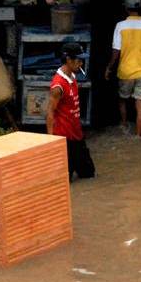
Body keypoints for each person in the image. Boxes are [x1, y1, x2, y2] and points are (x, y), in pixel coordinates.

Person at [105, 0, 141, 137]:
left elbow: (116, 51)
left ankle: (123, 124)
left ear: (126, 8)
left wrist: (109, 68)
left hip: (125, 72)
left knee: (122, 99)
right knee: (140, 104)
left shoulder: (120, 26)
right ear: (140, 8)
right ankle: (139, 137)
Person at [47, 42, 96, 180]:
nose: (81, 63)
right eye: (79, 60)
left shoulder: (73, 76)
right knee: (64, 181)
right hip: (64, 139)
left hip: (77, 135)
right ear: (68, 60)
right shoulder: (58, 86)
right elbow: (50, 112)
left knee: (89, 175)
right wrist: (51, 141)